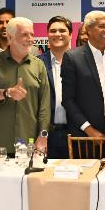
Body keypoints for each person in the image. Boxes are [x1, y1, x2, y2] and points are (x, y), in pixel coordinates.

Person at [0, 17, 50, 154]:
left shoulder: (39, 65)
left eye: (32, 34)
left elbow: (45, 106)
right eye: (25, 35)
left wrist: (43, 135)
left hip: (29, 143)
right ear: (10, 38)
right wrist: (7, 93)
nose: (30, 39)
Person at [61, 10, 105, 144]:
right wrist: (89, 129)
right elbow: (68, 100)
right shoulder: (72, 57)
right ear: (88, 29)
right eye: (101, 26)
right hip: (87, 133)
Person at [39, 16, 72, 159]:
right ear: (47, 35)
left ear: (70, 34)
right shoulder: (37, 63)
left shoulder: (81, 62)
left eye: (62, 30)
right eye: (53, 31)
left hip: (75, 133)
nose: (57, 34)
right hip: (46, 134)